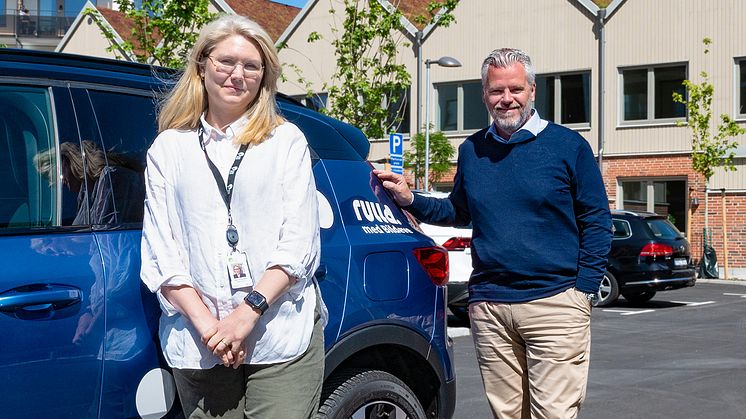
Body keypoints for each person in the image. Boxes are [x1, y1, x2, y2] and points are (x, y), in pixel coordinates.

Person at [375, 48, 612, 418]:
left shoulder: (569, 147)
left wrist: (582, 290)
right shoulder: (472, 150)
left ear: (532, 90)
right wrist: (410, 199)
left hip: (555, 303)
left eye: (515, 89)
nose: (506, 99)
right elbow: (458, 210)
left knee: (554, 413)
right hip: (491, 306)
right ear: (484, 94)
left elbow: (597, 222)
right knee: (508, 414)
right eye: (496, 91)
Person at [140, 14, 325, 419]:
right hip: (199, 339)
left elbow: (299, 244)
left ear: (264, 77)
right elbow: (161, 253)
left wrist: (245, 316)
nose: (236, 74)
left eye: (251, 66)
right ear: (202, 64)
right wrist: (213, 329)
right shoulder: (169, 149)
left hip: (279, 330)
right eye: (225, 61)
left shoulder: (285, 141)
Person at [34, 140, 144, 225]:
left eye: (55, 177)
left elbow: (106, 235)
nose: (60, 183)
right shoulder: (86, 194)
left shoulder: (110, 180)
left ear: (64, 163)